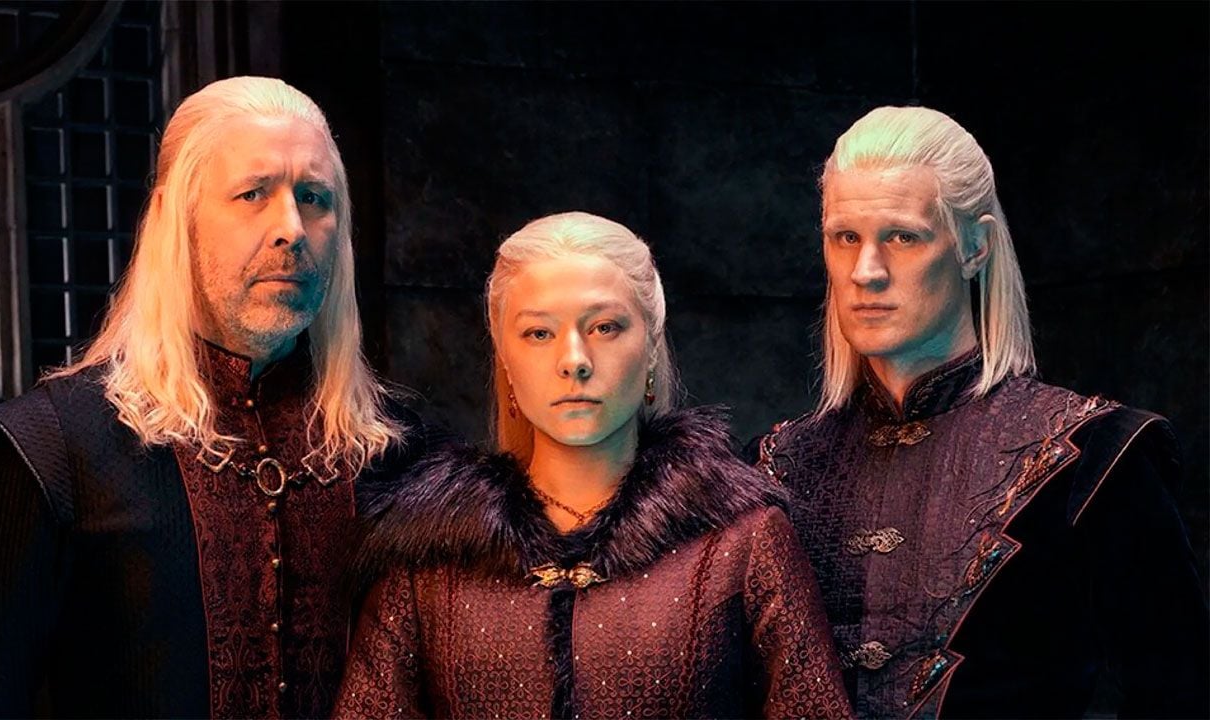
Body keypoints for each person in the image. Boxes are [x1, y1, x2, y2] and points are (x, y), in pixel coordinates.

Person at [0, 76, 427, 718]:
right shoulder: (48, 449)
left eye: (313, 197)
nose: (291, 228)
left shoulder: (404, 455)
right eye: (253, 193)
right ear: (176, 217)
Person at [753, 105, 1209, 718]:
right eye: (846, 238)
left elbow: (1181, 699)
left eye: (903, 237)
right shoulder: (770, 468)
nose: (867, 272)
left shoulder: (1095, 458)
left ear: (975, 247)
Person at [332, 212, 852, 719]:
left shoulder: (742, 543)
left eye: (605, 327)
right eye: (539, 333)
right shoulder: (430, 559)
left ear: (650, 346)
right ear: (505, 358)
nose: (574, 360)